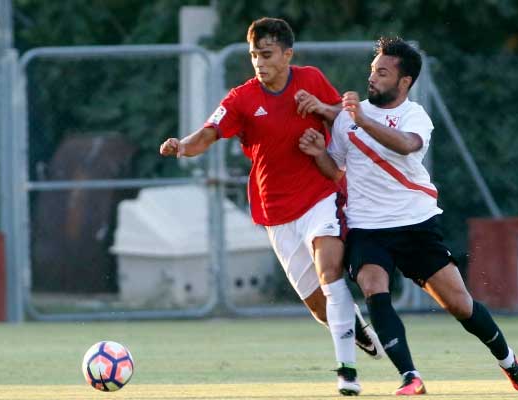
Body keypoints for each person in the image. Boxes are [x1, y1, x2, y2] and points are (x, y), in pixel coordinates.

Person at [299, 36, 518, 396]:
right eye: (372, 70)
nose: (372, 78)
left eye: (382, 72)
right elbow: (337, 172)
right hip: (367, 228)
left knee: (459, 304)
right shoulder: (348, 119)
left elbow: (407, 145)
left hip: (415, 225)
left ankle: (508, 360)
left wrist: (361, 120)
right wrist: (319, 153)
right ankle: (410, 376)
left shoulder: (413, 116)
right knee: (373, 287)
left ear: (404, 81)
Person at [159, 17, 382, 396]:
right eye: (253, 55)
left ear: (287, 54)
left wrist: (322, 107)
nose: (259, 63)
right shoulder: (242, 98)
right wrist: (182, 145)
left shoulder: (310, 78)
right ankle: (354, 327)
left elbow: (342, 116)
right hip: (276, 212)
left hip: (319, 196)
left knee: (330, 272)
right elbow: (210, 132)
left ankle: (347, 372)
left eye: (266, 54)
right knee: (317, 306)